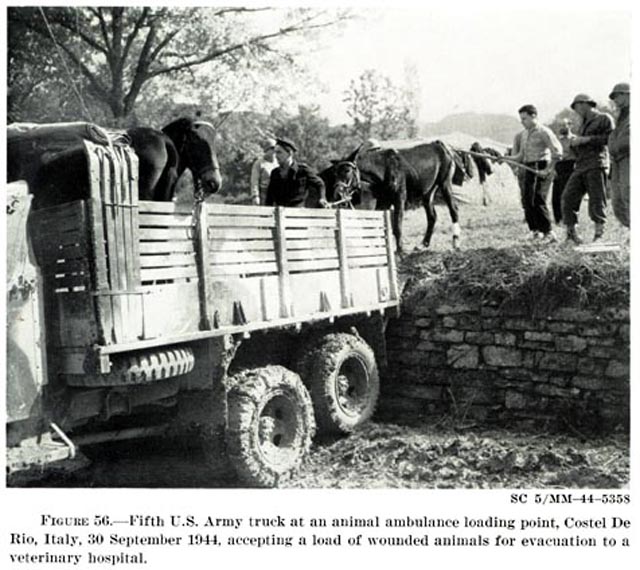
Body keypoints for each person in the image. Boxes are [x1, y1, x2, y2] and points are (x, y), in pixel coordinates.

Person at [561, 93, 615, 243]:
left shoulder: (604, 118)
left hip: (597, 164)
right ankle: (571, 235)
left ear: (586, 104)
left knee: (597, 200)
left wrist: (586, 139)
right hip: (581, 165)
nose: (576, 110)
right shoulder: (582, 124)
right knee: (568, 197)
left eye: (577, 106)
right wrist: (573, 144)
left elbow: (611, 139)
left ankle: (599, 234)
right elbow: (580, 146)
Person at [509, 104, 563, 241]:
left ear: (534, 116)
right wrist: (504, 158)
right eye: (521, 119)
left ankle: (549, 233)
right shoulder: (524, 134)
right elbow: (520, 156)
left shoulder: (544, 132)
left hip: (541, 166)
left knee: (538, 199)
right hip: (528, 168)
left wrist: (548, 169)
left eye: (525, 119)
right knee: (527, 200)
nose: (522, 122)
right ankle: (535, 231)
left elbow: (558, 152)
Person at [265, 138, 328, 208]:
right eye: (275, 152)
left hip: (298, 213)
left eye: (279, 152)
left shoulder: (302, 170)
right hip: (280, 213)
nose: (276, 156)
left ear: (290, 154)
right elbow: (269, 197)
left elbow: (319, 183)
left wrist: (322, 198)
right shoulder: (275, 173)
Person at [607, 82, 630, 228]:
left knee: (629, 196)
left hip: (629, 158)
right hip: (617, 160)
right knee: (617, 202)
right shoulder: (620, 116)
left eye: (618, 95)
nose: (615, 99)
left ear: (627, 95)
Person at [551, 119, 577, 224]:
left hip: (570, 167)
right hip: (559, 168)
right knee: (556, 195)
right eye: (560, 125)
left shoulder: (574, 139)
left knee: (568, 195)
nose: (562, 128)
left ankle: (570, 219)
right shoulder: (557, 141)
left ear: (570, 125)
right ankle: (558, 219)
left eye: (564, 125)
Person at [250, 138, 277, 205]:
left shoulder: (278, 163)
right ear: (266, 150)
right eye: (272, 149)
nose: (274, 151)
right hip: (264, 194)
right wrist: (255, 196)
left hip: (276, 194)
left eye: (275, 149)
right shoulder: (259, 163)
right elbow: (254, 181)